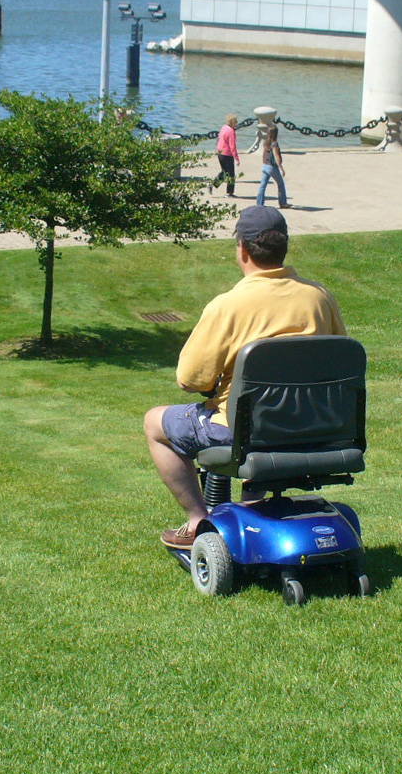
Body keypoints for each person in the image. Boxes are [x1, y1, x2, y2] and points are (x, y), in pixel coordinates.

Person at [144, 205, 346, 549]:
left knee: (154, 423)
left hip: (241, 431)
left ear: (242, 249)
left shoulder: (229, 305)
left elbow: (189, 378)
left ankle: (198, 519)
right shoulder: (320, 298)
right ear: (284, 247)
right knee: (259, 418)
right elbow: (339, 362)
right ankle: (252, 505)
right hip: (312, 425)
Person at [256, 123, 291, 209]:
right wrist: (281, 168)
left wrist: (264, 163)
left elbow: (264, 154)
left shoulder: (266, 142)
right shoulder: (274, 144)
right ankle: (283, 203)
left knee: (263, 185)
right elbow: (276, 156)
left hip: (265, 165)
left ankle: (259, 203)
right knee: (281, 184)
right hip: (271, 167)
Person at [209, 114, 240, 197]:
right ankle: (229, 192)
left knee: (224, 172)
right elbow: (232, 146)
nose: (237, 123)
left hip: (220, 153)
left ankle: (213, 184)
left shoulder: (223, 128)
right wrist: (236, 158)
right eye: (236, 121)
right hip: (227, 154)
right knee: (231, 174)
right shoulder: (231, 131)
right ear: (232, 122)